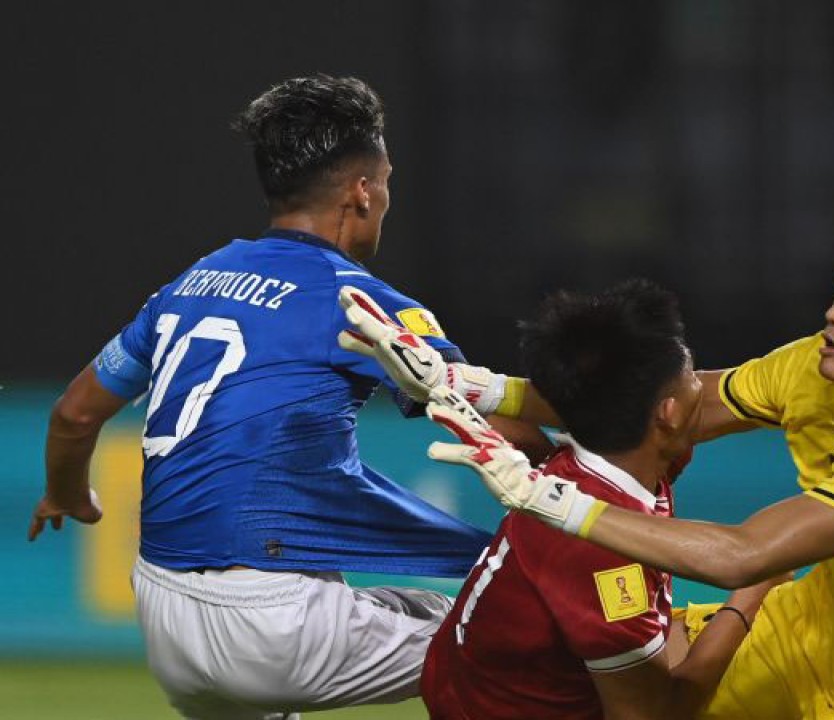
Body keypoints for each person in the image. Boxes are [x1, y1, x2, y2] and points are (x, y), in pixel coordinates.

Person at [361, 204, 834, 719]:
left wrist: (553, 502)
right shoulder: (817, 365)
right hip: (816, 623)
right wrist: (476, 387)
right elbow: (660, 403)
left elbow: (744, 556)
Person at [28, 75, 504, 720]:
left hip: (165, 614)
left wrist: (64, 492)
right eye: (387, 180)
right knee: (514, 641)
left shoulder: (194, 281)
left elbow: (74, 414)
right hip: (273, 621)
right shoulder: (362, 303)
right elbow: (495, 421)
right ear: (363, 192)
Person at [344, 279, 785, 719]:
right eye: (693, 377)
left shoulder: (611, 454)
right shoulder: (604, 553)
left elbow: (586, 411)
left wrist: (451, 382)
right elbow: (653, 714)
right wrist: (749, 596)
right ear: (667, 414)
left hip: (488, 685)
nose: (704, 387)